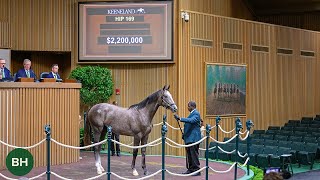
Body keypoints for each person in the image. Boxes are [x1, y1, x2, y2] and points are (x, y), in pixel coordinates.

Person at [174, 101, 201, 176]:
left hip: (194, 139)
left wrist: (180, 118)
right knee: (189, 154)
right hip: (189, 138)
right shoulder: (192, 114)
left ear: (192, 106)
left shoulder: (196, 114)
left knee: (193, 154)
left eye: (188, 106)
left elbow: (191, 121)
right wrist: (185, 135)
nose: (187, 107)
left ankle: (196, 170)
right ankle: (191, 169)